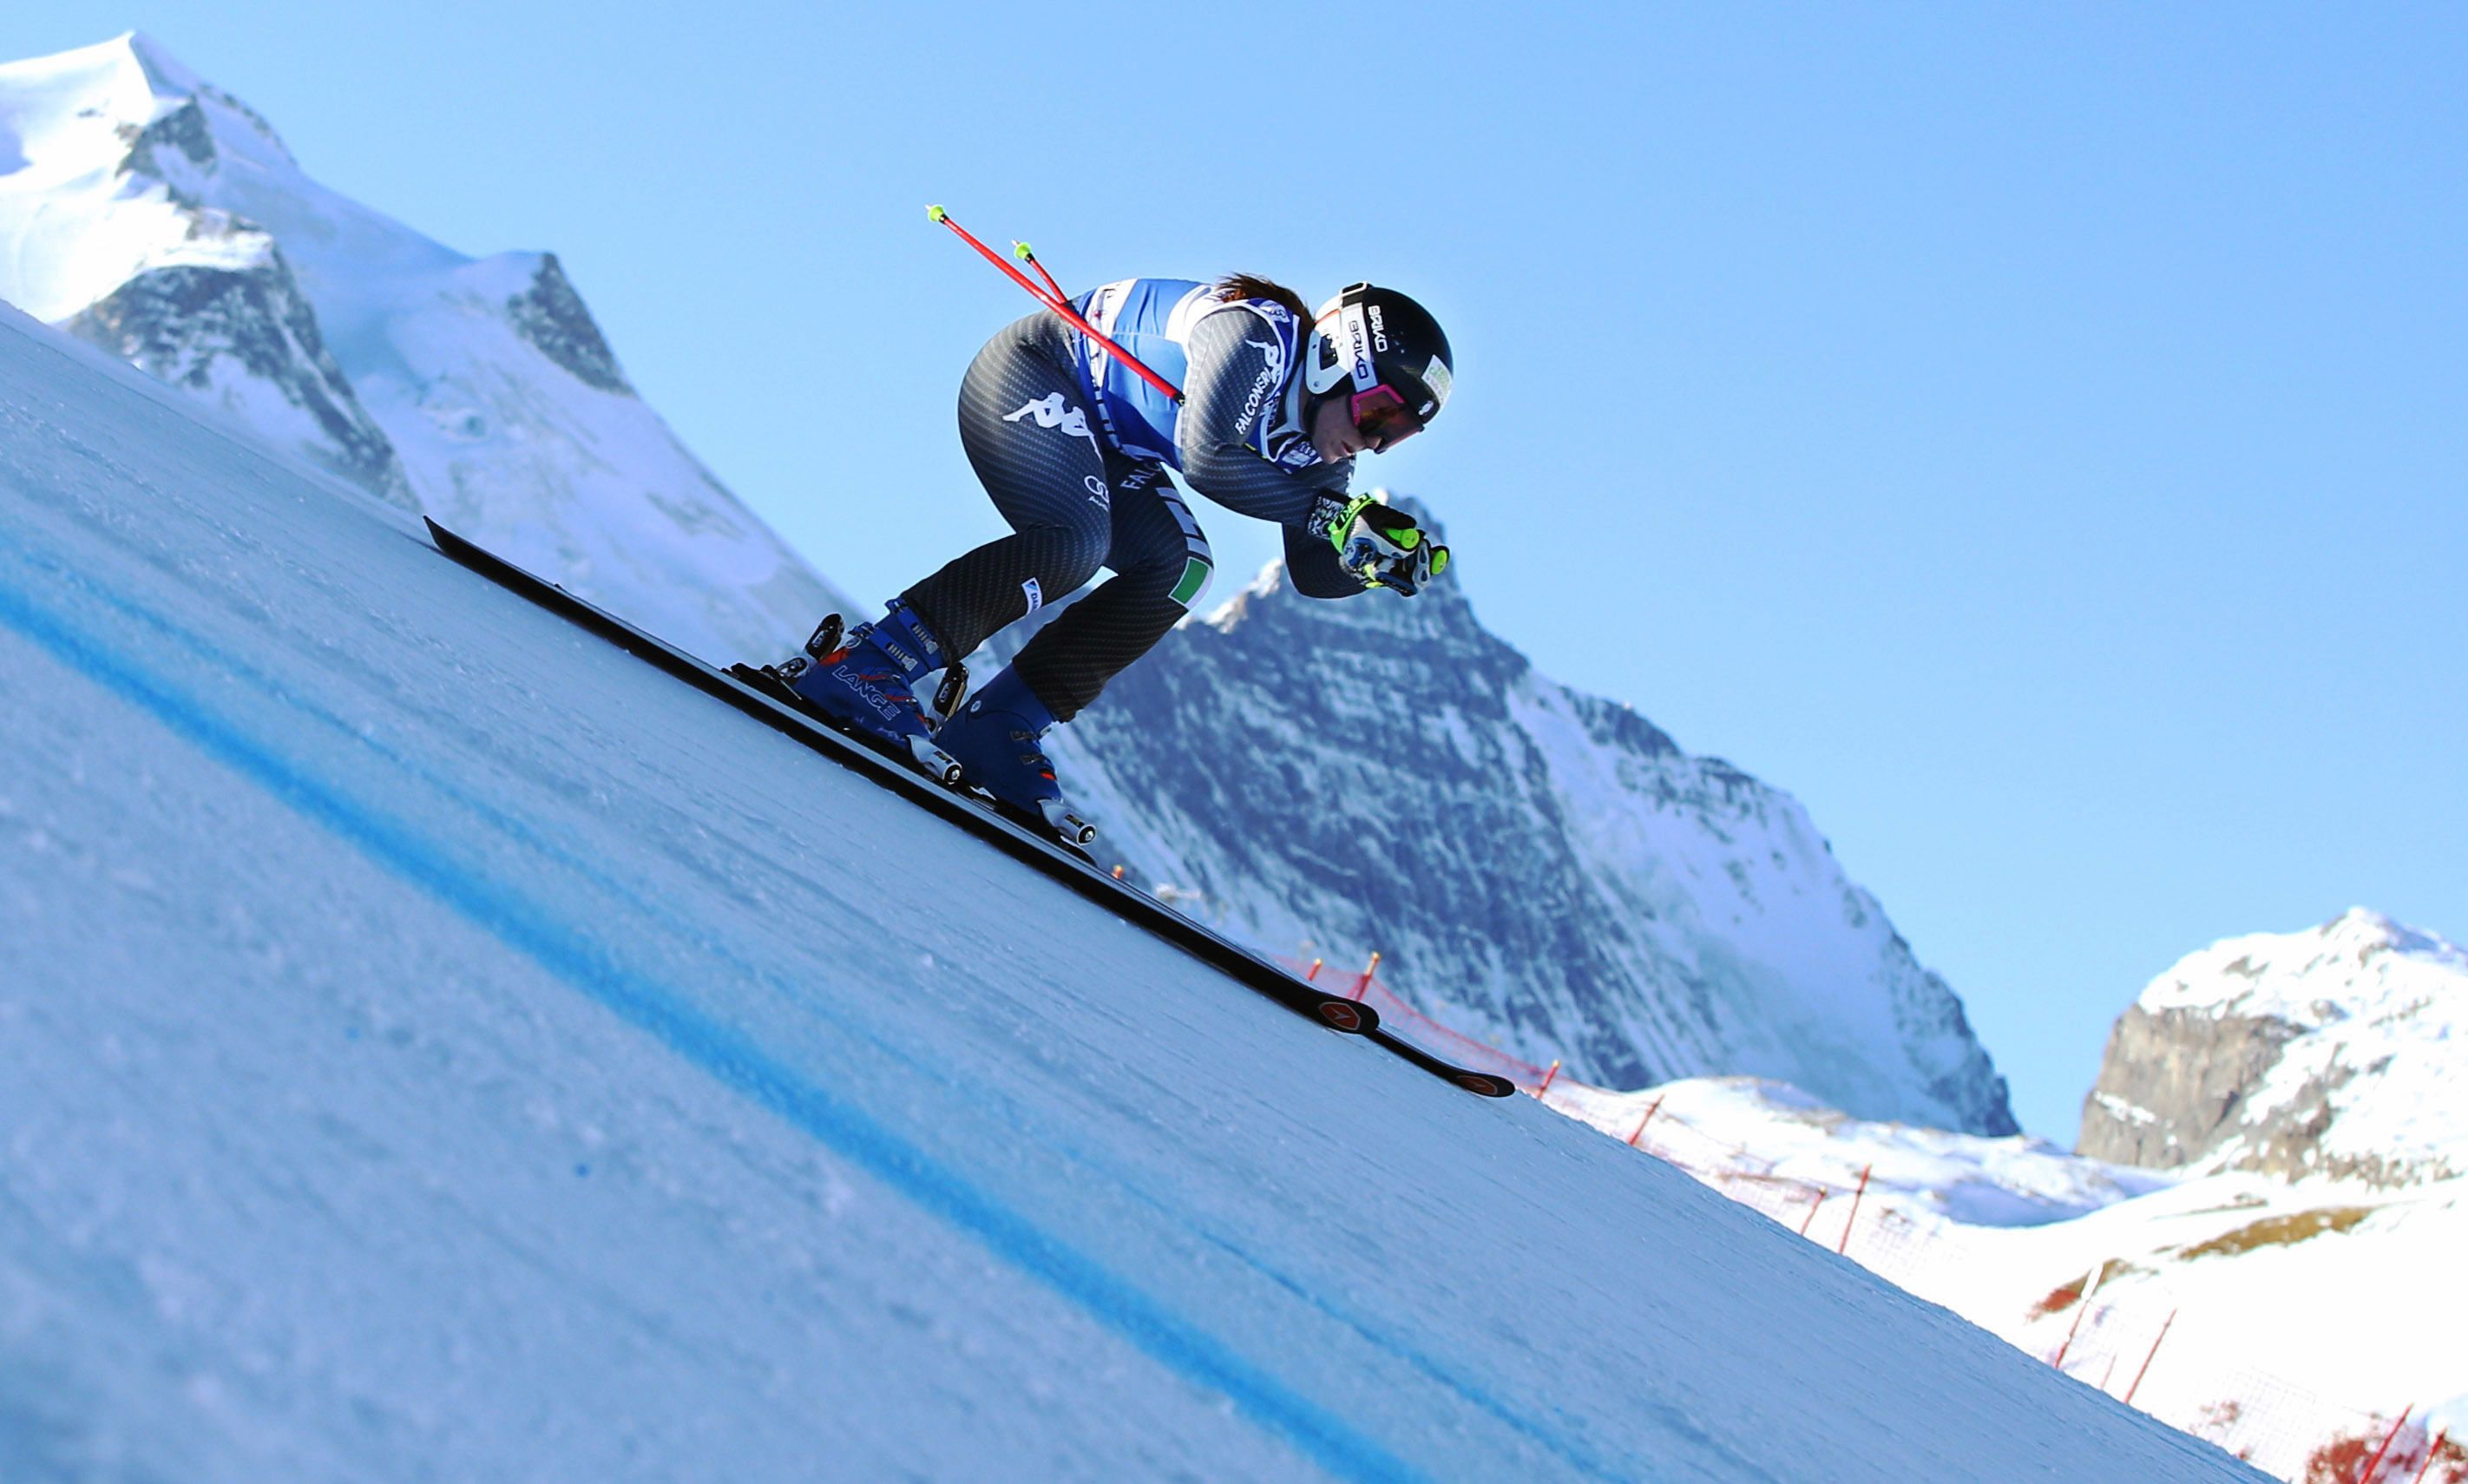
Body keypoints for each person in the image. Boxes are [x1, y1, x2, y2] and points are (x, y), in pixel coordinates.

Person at [772, 274, 1454, 838]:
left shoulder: (1322, 452)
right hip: (1033, 373)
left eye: (1396, 437)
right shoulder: (1256, 335)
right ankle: (869, 664)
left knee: (1180, 569)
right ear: (1336, 359)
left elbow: (1311, 569)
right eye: (1377, 418)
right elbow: (1208, 454)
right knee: (1077, 539)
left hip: (1109, 442)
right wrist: (1327, 517)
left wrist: (1370, 564)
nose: (1372, 445)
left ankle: (999, 725)